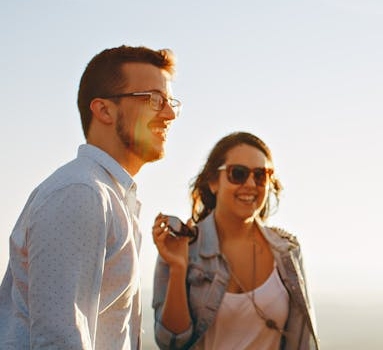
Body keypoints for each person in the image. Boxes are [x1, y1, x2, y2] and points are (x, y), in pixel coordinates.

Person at [0, 45, 179, 349]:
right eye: (153, 99)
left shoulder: (114, 197)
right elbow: (59, 341)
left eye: (170, 101)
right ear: (104, 110)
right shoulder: (81, 193)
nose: (170, 113)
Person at [152, 131, 319, 349]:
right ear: (213, 182)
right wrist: (177, 267)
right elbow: (171, 342)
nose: (251, 184)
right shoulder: (182, 246)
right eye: (238, 173)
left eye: (261, 175)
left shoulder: (287, 251)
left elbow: (302, 342)